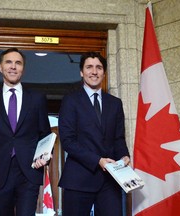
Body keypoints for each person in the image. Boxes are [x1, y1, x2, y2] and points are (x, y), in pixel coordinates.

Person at [0, 48, 51, 216]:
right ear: (0, 67)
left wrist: (45, 155)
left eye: (18, 63)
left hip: (28, 172)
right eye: (8, 62)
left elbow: (44, 134)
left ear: (23, 68)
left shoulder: (37, 99)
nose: (13, 67)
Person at [58, 52, 130, 216]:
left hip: (109, 181)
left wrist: (125, 155)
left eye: (99, 67)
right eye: (89, 67)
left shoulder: (115, 103)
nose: (94, 72)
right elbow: (68, 141)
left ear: (104, 73)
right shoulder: (70, 101)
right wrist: (98, 160)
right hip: (78, 179)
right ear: (81, 72)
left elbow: (118, 138)